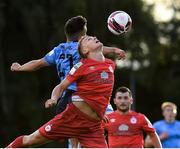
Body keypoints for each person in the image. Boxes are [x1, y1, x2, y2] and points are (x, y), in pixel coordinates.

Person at [10, 16, 124, 147]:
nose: (91, 38)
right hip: (78, 97)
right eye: (86, 35)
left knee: (76, 137)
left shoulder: (59, 50)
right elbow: (99, 50)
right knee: (113, 124)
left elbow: (38, 63)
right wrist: (114, 50)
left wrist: (20, 67)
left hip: (67, 98)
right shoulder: (83, 52)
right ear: (82, 37)